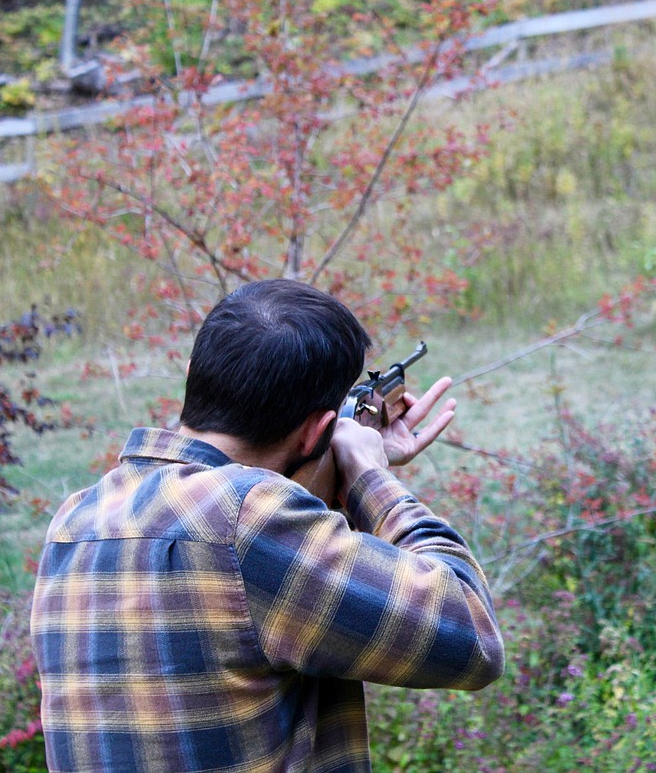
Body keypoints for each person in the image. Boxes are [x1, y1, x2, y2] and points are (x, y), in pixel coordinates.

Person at [30, 279, 505, 772]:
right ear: (317, 433)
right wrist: (369, 476)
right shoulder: (250, 520)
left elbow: (245, 624)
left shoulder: (74, 520)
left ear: (194, 377)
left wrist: (330, 476)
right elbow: (472, 634)